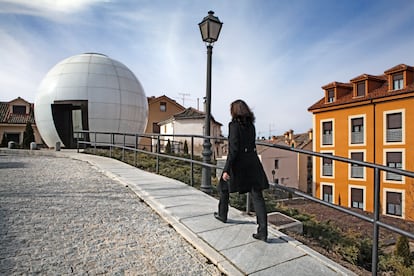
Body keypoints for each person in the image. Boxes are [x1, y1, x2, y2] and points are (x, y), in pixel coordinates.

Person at [214, 99, 269, 242]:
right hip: (253, 162)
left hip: (239, 163)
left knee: (223, 185)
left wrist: (226, 169)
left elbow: (233, 150)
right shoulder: (251, 125)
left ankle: (222, 215)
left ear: (234, 111)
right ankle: (263, 232)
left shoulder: (233, 126)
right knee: (257, 196)